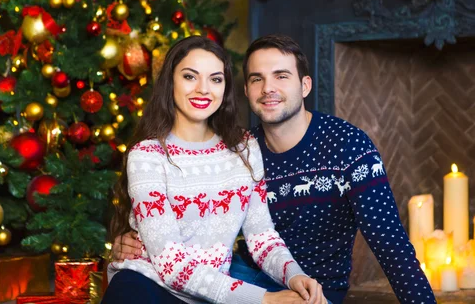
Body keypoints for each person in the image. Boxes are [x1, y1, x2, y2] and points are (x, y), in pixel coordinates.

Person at [115, 34, 436, 304]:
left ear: (305, 85)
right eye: (257, 79)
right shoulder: (239, 145)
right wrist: (128, 241)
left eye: (281, 76)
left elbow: (391, 244)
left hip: (304, 287)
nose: (268, 88)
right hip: (234, 280)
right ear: (244, 90)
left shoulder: (344, 146)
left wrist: (294, 280)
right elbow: (179, 247)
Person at [103, 35, 326, 304]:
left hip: (212, 294)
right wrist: (266, 299)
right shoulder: (147, 155)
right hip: (146, 286)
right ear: (170, 82)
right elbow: (171, 266)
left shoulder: (244, 148)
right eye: (189, 77)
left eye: (215, 79)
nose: (203, 89)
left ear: (226, 88)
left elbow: (262, 237)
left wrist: (294, 276)